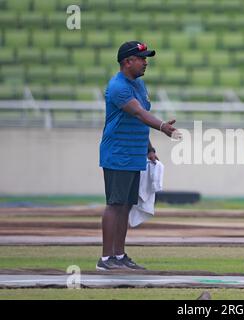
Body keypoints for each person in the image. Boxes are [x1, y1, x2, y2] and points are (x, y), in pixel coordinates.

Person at [97, 41, 178, 271]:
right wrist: (163, 126)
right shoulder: (118, 86)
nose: (146, 62)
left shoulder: (139, 85)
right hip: (118, 152)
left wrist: (149, 148)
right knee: (114, 204)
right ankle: (105, 259)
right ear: (127, 62)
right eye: (142, 58)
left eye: (146, 58)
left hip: (134, 152)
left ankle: (119, 255)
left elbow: (139, 120)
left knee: (126, 205)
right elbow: (139, 113)